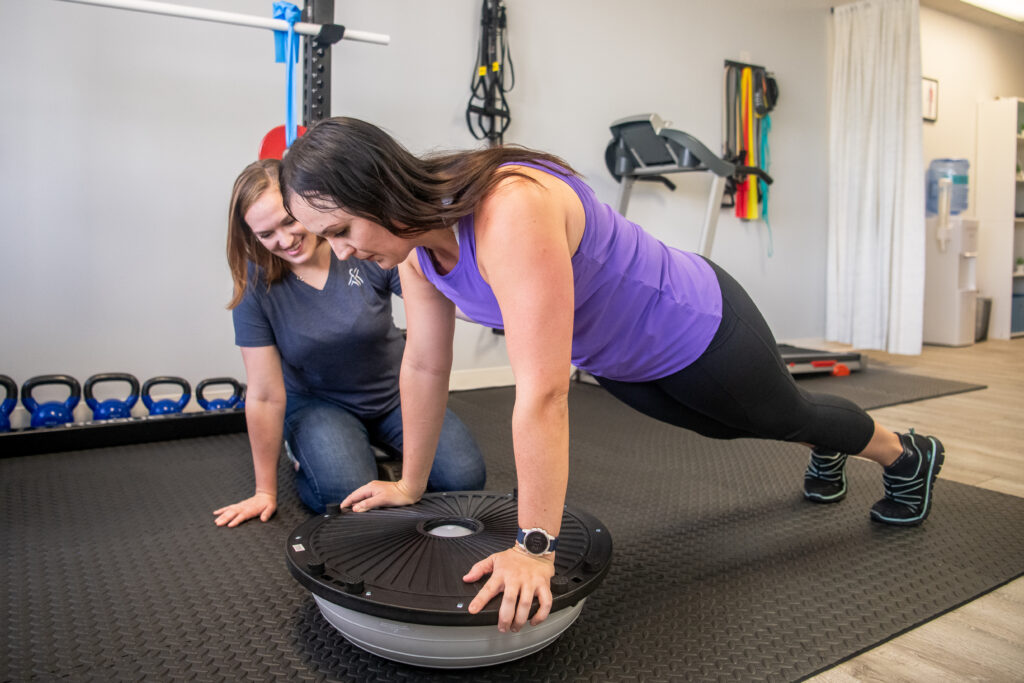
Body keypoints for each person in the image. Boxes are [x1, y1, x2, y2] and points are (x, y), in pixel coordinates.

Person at [278, 117, 945, 633]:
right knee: (730, 429)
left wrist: (536, 547)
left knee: (782, 416)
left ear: (378, 190)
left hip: (698, 326)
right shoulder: (418, 252)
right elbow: (425, 364)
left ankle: (908, 454)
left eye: (339, 230)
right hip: (621, 361)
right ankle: (828, 443)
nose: (343, 253)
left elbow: (541, 392)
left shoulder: (509, 208)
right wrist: (409, 483)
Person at [213, 158, 486, 528]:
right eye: (266, 234)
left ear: (306, 208)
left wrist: (505, 303)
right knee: (343, 496)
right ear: (251, 236)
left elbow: (439, 298)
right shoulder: (255, 286)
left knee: (464, 480)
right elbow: (264, 394)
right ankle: (315, 453)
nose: (284, 240)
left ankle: (375, 457)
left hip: (394, 394)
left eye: (290, 221)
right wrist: (265, 491)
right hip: (319, 405)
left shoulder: (356, 246)